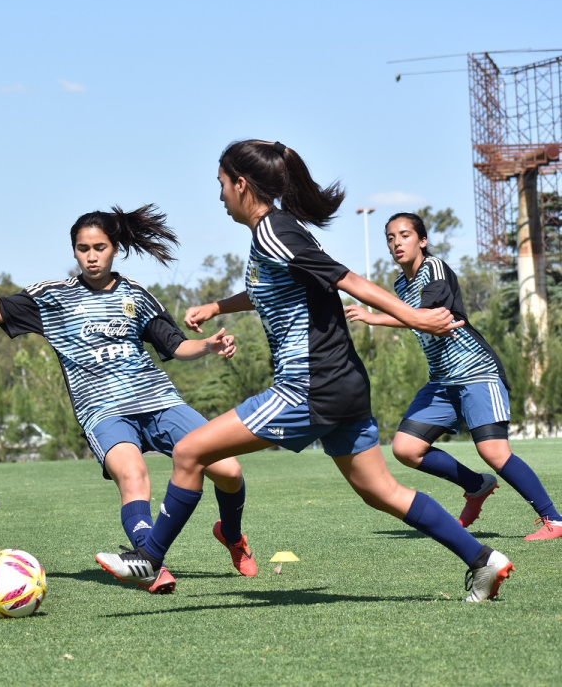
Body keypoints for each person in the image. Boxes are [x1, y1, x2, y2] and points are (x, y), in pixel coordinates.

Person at [95, 140, 514, 602]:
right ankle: (483, 561)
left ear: (241, 184)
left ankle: (149, 558)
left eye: (221, 185)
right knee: (382, 492)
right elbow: (268, 289)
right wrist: (217, 306)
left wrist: (415, 317)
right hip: (340, 384)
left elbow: (346, 279)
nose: (219, 197)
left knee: (190, 452)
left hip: (309, 386)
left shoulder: (275, 230)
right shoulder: (275, 234)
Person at [0, 205, 256, 594]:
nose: (92, 255)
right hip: (103, 412)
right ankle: (151, 565)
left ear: (115, 248)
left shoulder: (137, 295)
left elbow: (176, 345)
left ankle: (231, 534)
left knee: (230, 472)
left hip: (159, 401)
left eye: (99, 247)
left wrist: (208, 345)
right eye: (83, 248)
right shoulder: (53, 297)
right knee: (134, 476)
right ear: (74, 252)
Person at [344, 212, 562, 539]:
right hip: (442, 382)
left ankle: (554, 520)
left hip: (477, 372)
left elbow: (432, 317)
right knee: (406, 448)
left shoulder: (434, 269)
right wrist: (378, 316)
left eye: (404, 235)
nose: (396, 243)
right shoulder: (401, 284)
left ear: (422, 240)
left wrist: (377, 316)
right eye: (390, 238)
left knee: (493, 452)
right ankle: (476, 485)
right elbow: (414, 317)